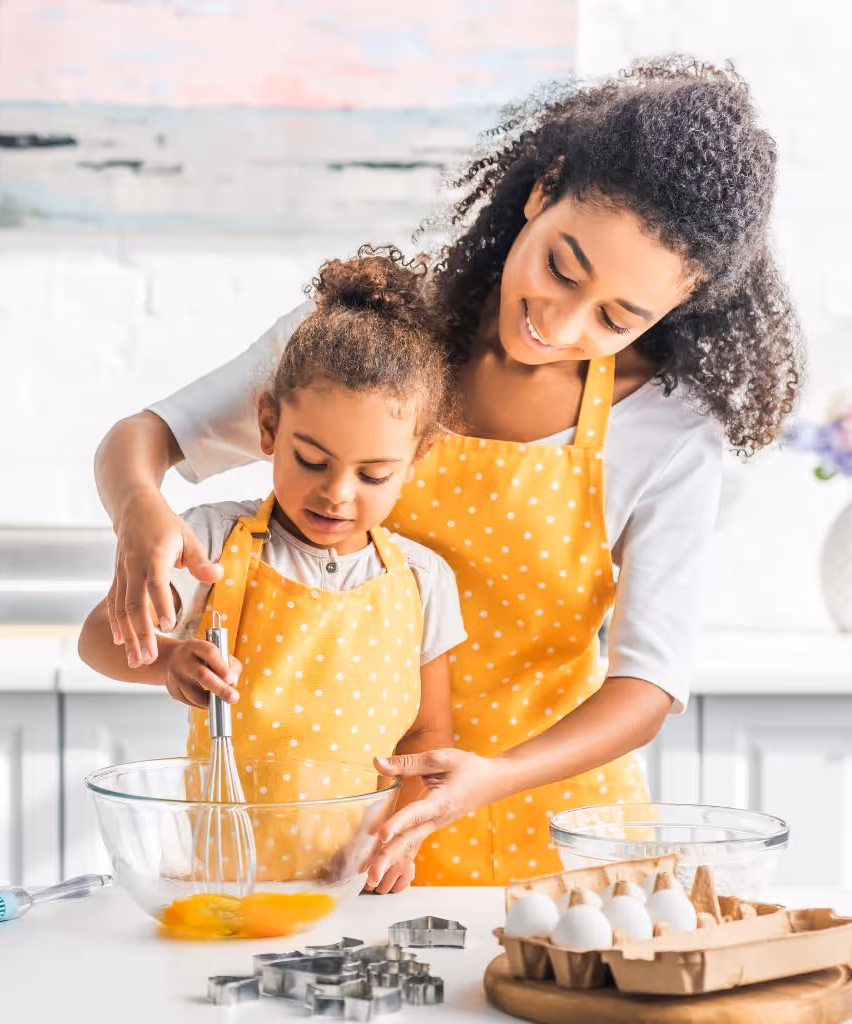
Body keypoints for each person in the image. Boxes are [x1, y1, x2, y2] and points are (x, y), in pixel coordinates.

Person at [91, 58, 804, 887]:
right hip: (343, 835)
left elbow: (648, 684)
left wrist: (492, 777)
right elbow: (145, 437)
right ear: (544, 188)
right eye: (562, 269)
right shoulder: (367, 343)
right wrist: (139, 506)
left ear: (677, 307)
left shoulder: (669, 429)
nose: (560, 322)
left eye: (617, 316)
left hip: (560, 838)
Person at [79, 249, 466, 894]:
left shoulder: (425, 580)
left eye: (373, 475)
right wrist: (168, 658)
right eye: (311, 460)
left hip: (357, 891)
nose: (337, 493)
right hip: (223, 884)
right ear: (267, 427)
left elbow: (429, 736)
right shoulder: (211, 543)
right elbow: (98, 640)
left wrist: (404, 836)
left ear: (417, 457)